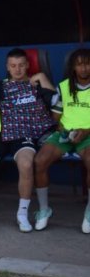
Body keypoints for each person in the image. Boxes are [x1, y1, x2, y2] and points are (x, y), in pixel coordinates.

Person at [0, 48, 56, 235]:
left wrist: (41, 76)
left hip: (24, 133)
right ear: (7, 67)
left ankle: (22, 214)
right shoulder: (1, 86)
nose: (17, 69)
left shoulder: (35, 83)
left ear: (27, 65)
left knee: (25, 163)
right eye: (13, 66)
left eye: (21, 65)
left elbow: (55, 101)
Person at [34, 48, 90, 233]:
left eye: (87, 63)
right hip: (66, 134)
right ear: (73, 67)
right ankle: (44, 209)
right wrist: (65, 132)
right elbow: (55, 119)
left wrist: (84, 131)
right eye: (79, 64)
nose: (84, 68)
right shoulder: (64, 86)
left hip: (88, 135)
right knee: (40, 161)